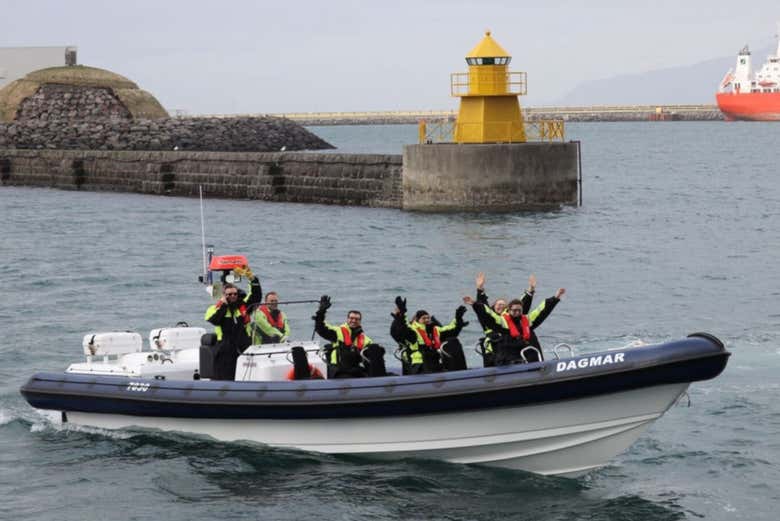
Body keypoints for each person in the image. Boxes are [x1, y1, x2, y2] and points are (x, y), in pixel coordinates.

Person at [464, 285, 564, 366]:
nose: (516, 312)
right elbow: (487, 314)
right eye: (514, 310)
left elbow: (541, 310)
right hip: (507, 357)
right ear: (509, 311)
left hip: (525, 355)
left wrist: (555, 298)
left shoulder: (527, 320)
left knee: (530, 338)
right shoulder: (502, 322)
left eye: (519, 310)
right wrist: (474, 303)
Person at [204, 269, 262, 380]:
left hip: (243, 345)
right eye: (229, 294)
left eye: (235, 294)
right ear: (224, 295)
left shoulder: (243, 307)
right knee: (225, 375)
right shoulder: (214, 308)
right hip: (225, 347)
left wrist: (252, 279)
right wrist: (224, 306)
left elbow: (256, 296)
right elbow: (215, 320)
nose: (233, 296)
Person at [390, 296, 468, 374]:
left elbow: (451, 330)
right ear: (417, 320)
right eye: (424, 318)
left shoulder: (435, 329)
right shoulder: (413, 330)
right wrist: (402, 312)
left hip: (434, 361)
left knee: (453, 343)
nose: (427, 320)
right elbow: (403, 327)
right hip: (419, 365)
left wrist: (458, 318)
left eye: (428, 318)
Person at [473, 272, 535, 367]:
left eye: (503, 305)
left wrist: (531, 290)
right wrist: (480, 289)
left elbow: (521, 305)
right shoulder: (489, 318)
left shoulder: (512, 317)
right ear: (493, 307)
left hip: (510, 350)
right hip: (493, 349)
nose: (501, 306)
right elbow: (482, 307)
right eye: (498, 304)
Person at [313, 295, 384, 378]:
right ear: (347, 319)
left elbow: (372, 356)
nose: (353, 321)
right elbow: (320, 328)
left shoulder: (365, 339)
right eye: (351, 318)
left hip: (355, 369)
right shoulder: (337, 331)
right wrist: (321, 311)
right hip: (338, 370)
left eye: (356, 319)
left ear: (360, 321)